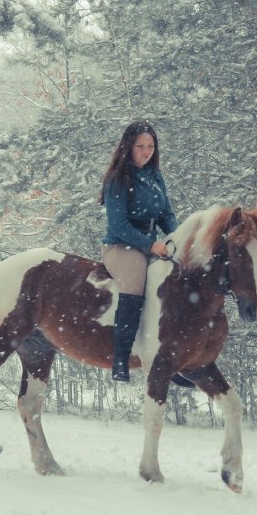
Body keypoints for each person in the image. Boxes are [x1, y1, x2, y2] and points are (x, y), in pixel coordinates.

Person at [100, 120, 178, 382]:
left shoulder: (155, 176)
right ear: (128, 147)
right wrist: (149, 244)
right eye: (140, 146)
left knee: (176, 282)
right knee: (135, 284)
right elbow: (118, 224)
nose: (146, 152)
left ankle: (172, 356)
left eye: (151, 146)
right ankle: (120, 359)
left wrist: (177, 238)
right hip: (122, 247)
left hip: (151, 246)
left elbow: (166, 213)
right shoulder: (117, 179)